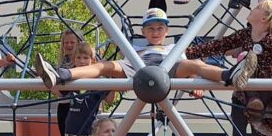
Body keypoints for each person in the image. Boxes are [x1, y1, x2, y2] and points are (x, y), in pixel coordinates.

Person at [181, 0, 272, 136]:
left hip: (268, 87)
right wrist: (188, 52)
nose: (252, 9)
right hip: (249, 87)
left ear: (263, 18)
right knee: (246, 61)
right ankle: (254, 100)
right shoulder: (245, 35)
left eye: (257, 8)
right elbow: (221, 44)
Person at [33, 8, 176, 89]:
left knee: (190, 64)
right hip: (138, 66)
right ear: (143, 31)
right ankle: (61, 74)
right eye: (150, 28)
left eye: (160, 28)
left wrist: (194, 79)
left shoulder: (174, 48)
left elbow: (185, 64)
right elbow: (114, 38)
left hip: (168, 65)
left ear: (167, 31)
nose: (155, 32)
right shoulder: (134, 48)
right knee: (103, 66)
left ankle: (57, 74)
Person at [57, 40, 116, 136]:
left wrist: (113, 82)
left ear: (92, 60)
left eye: (85, 58)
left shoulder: (97, 81)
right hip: (70, 129)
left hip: (88, 131)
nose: (82, 61)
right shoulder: (71, 79)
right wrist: (50, 81)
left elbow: (110, 100)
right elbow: (59, 93)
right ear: (74, 59)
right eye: (78, 57)